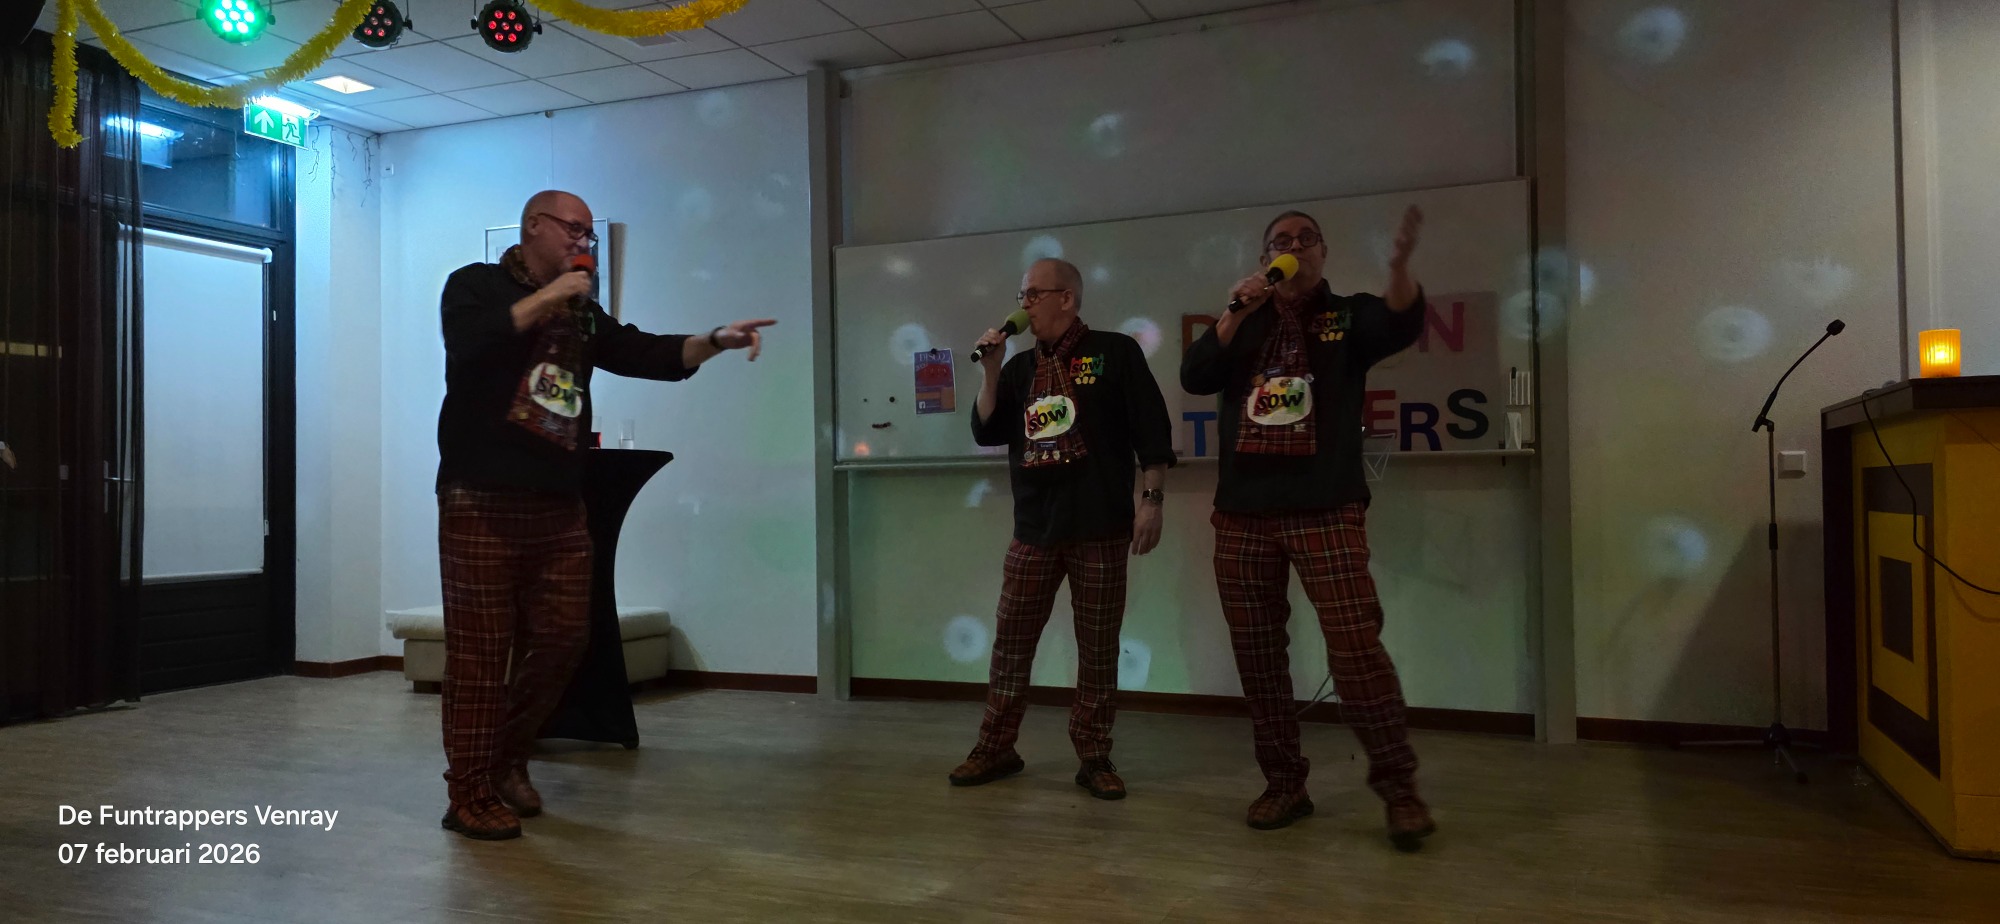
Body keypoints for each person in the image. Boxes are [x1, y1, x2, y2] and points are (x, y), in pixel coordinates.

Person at [433, 190, 774, 840]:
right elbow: (475, 341)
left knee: (565, 638)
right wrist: (551, 296)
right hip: (481, 497)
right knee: (479, 654)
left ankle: (506, 756)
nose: (582, 241)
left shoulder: (582, 313)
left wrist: (716, 340)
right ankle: (468, 792)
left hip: (560, 501)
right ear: (534, 225)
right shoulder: (475, 285)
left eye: (588, 233)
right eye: (573, 228)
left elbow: (644, 353)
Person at [1179, 206, 1435, 849]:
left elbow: (1401, 321)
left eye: (1305, 238)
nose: (1293, 247)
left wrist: (1400, 266)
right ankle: (1283, 784)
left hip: (1326, 507)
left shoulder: (1347, 315)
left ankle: (1400, 790)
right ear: (1265, 257)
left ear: (1322, 252)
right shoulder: (1244, 318)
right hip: (1243, 512)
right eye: (1280, 241)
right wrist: (1234, 310)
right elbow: (1195, 375)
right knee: (1258, 655)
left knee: (1356, 650)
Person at [950, 258, 1175, 800]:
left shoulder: (1115, 351)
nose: (1023, 304)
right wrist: (991, 371)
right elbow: (986, 430)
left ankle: (1094, 756)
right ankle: (995, 747)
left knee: (1098, 647)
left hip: (1100, 525)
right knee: (1011, 642)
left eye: (1033, 294)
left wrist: (1151, 500)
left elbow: (1151, 427)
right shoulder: (1020, 367)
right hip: (1034, 527)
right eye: (1021, 295)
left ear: (1067, 298)